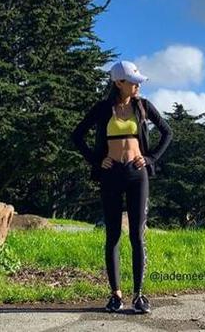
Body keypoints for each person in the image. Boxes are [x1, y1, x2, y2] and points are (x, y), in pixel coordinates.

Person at [70, 60, 173, 314]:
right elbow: (77, 135)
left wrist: (150, 159)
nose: (138, 85)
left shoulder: (143, 106)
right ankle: (116, 295)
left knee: (137, 235)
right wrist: (97, 160)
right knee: (113, 235)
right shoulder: (102, 108)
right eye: (133, 81)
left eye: (138, 81)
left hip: (137, 175)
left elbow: (167, 133)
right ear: (119, 83)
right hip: (111, 174)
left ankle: (139, 295)